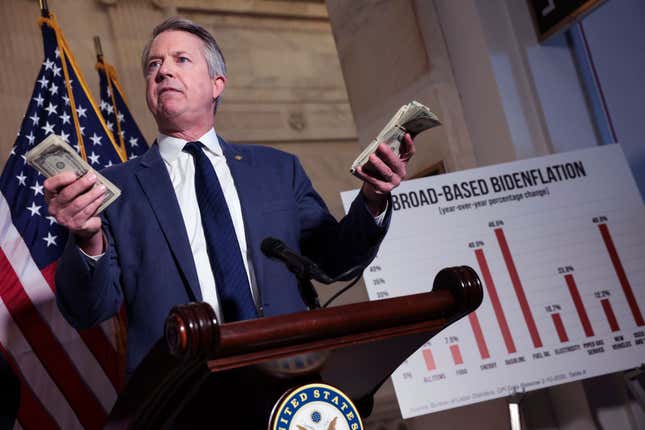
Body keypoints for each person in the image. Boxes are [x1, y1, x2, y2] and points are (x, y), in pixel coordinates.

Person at [44, 17, 416, 378]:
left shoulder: (277, 170)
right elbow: (87, 310)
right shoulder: (112, 189)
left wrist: (372, 199)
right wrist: (88, 238)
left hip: (285, 373)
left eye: (181, 60)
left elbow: (334, 261)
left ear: (216, 84)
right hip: (180, 390)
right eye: (154, 64)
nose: (163, 71)